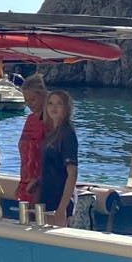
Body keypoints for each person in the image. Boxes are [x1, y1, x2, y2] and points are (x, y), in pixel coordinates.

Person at [40, 89, 78, 226]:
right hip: (48, 196)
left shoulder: (67, 133)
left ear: (66, 108)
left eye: (59, 104)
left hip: (59, 201)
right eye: (50, 103)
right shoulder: (52, 133)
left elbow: (72, 173)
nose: (54, 107)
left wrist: (62, 209)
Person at [16, 73, 49, 204]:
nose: (29, 104)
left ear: (44, 95)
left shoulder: (51, 121)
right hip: (25, 182)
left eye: (33, 99)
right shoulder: (30, 119)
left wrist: (39, 181)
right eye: (26, 100)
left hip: (42, 184)